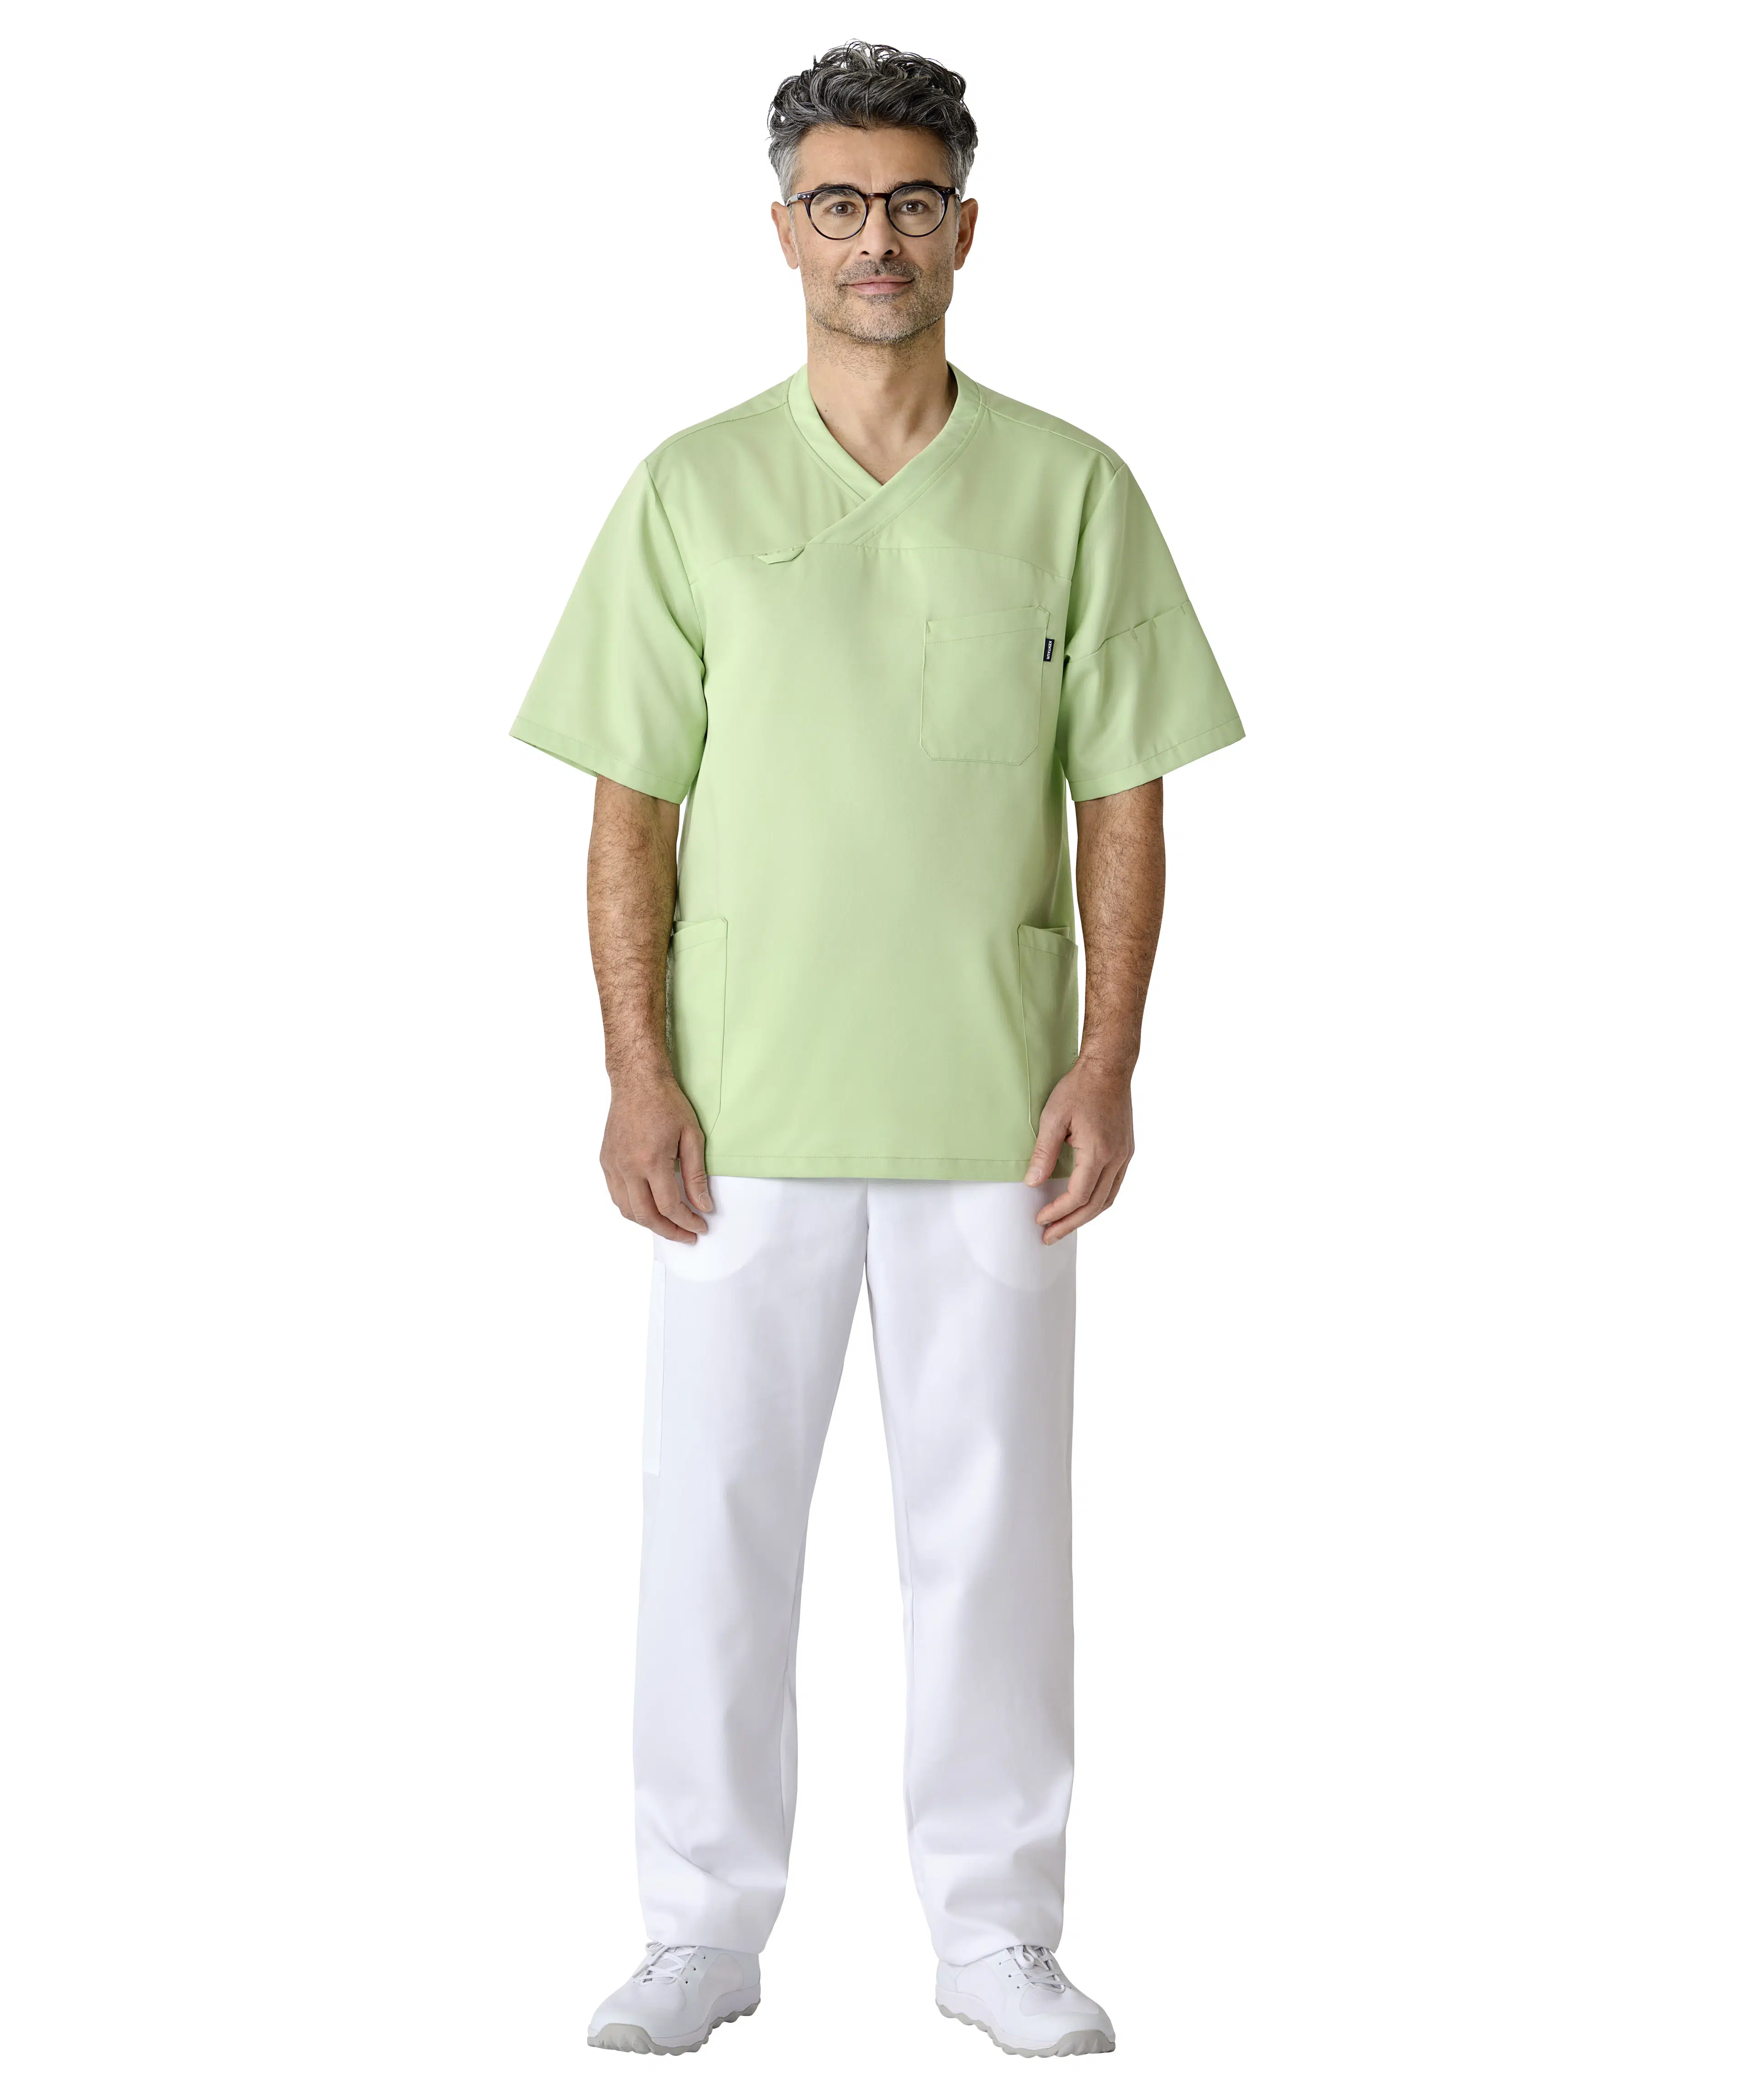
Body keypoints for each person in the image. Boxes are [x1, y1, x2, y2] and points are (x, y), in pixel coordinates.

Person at [510, 39, 1243, 2060]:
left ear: (967, 227)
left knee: (994, 1533)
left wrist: (1110, 1057)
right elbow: (631, 806)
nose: (877, 239)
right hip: (738, 1103)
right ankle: (699, 1926)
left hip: (994, 1101)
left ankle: (997, 1931)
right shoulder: (692, 490)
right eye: (838, 203)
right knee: (714, 1522)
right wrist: (636, 1071)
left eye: (913, 201)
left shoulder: (1070, 489)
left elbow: (1124, 798)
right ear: (783, 233)